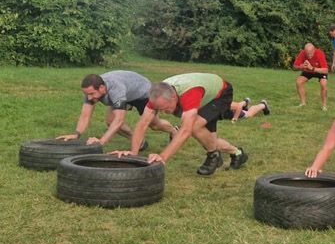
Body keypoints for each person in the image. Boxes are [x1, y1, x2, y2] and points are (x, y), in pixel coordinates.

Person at [113, 73, 247, 176]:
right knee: (208, 139)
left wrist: (163, 157)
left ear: (173, 97)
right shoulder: (157, 97)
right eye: (160, 109)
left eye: (166, 108)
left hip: (220, 94)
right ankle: (237, 153)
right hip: (204, 95)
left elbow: (185, 131)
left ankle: (213, 155)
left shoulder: (189, 94)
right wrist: (133, 155)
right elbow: (142, 125)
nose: (164, 113)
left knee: (193, 127)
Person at [57, 71, 176, 149]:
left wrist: (101, 142)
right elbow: (85, 115)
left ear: (102, 88)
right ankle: (139, 142)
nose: (89, 97)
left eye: (92, 94)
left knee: (155, 125)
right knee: (110, 121)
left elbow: (119, 120)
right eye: (87, 94)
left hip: (143, 93)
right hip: (127, 93)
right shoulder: (91, 91)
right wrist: (76, 134)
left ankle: (173, 131)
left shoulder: (115, 89)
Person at [293, 43, 329, 111]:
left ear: (314, 50)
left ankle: (324, 106)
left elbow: (326, 70)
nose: (309, 56)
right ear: (304, 51)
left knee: (323, 84)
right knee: (298, 82)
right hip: (308, 71)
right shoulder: (302, 53)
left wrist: (312, 68)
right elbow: (294, 67)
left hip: (319, 71)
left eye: (310, 53)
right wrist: (301, 67)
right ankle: (303, 103)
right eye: (307, 53)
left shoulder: (319, 53)